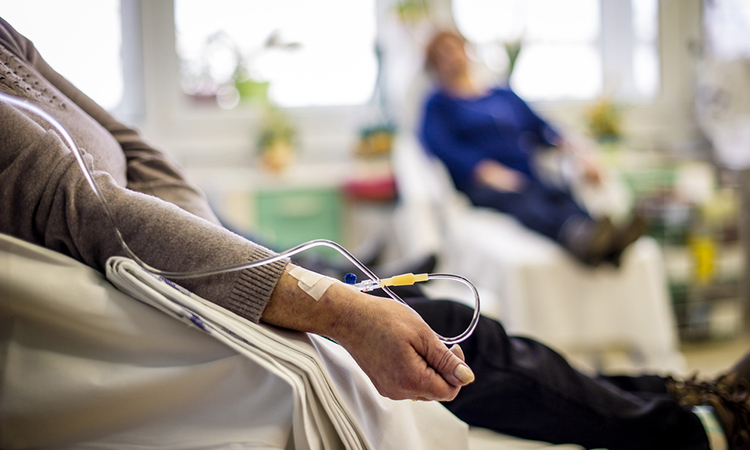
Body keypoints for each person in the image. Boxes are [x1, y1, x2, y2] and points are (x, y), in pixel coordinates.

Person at [0, 17, 747, 450]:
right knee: (452, 326)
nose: (457, 58)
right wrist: (335, 304)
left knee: (463, 306)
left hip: (191, 247)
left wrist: (232, 244)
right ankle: (688, 426)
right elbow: (99, 209)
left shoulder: (10, 42)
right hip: (162, 293)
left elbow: (138, 150)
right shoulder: (440, 110)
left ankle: (681, 399)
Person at [418, 30, 644, 267]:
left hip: (526, 172)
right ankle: (579, 238)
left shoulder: (502, 95)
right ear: (434, 65)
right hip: (483, 184)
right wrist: (484, 171)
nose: (451, 57)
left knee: (559, 193)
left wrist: (578, 153)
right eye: (441, 54)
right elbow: (441, 146)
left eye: (454, 48)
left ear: (466, 50)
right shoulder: (437, 104)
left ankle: (606, 239)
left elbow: (544, 128)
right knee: (526, 201)